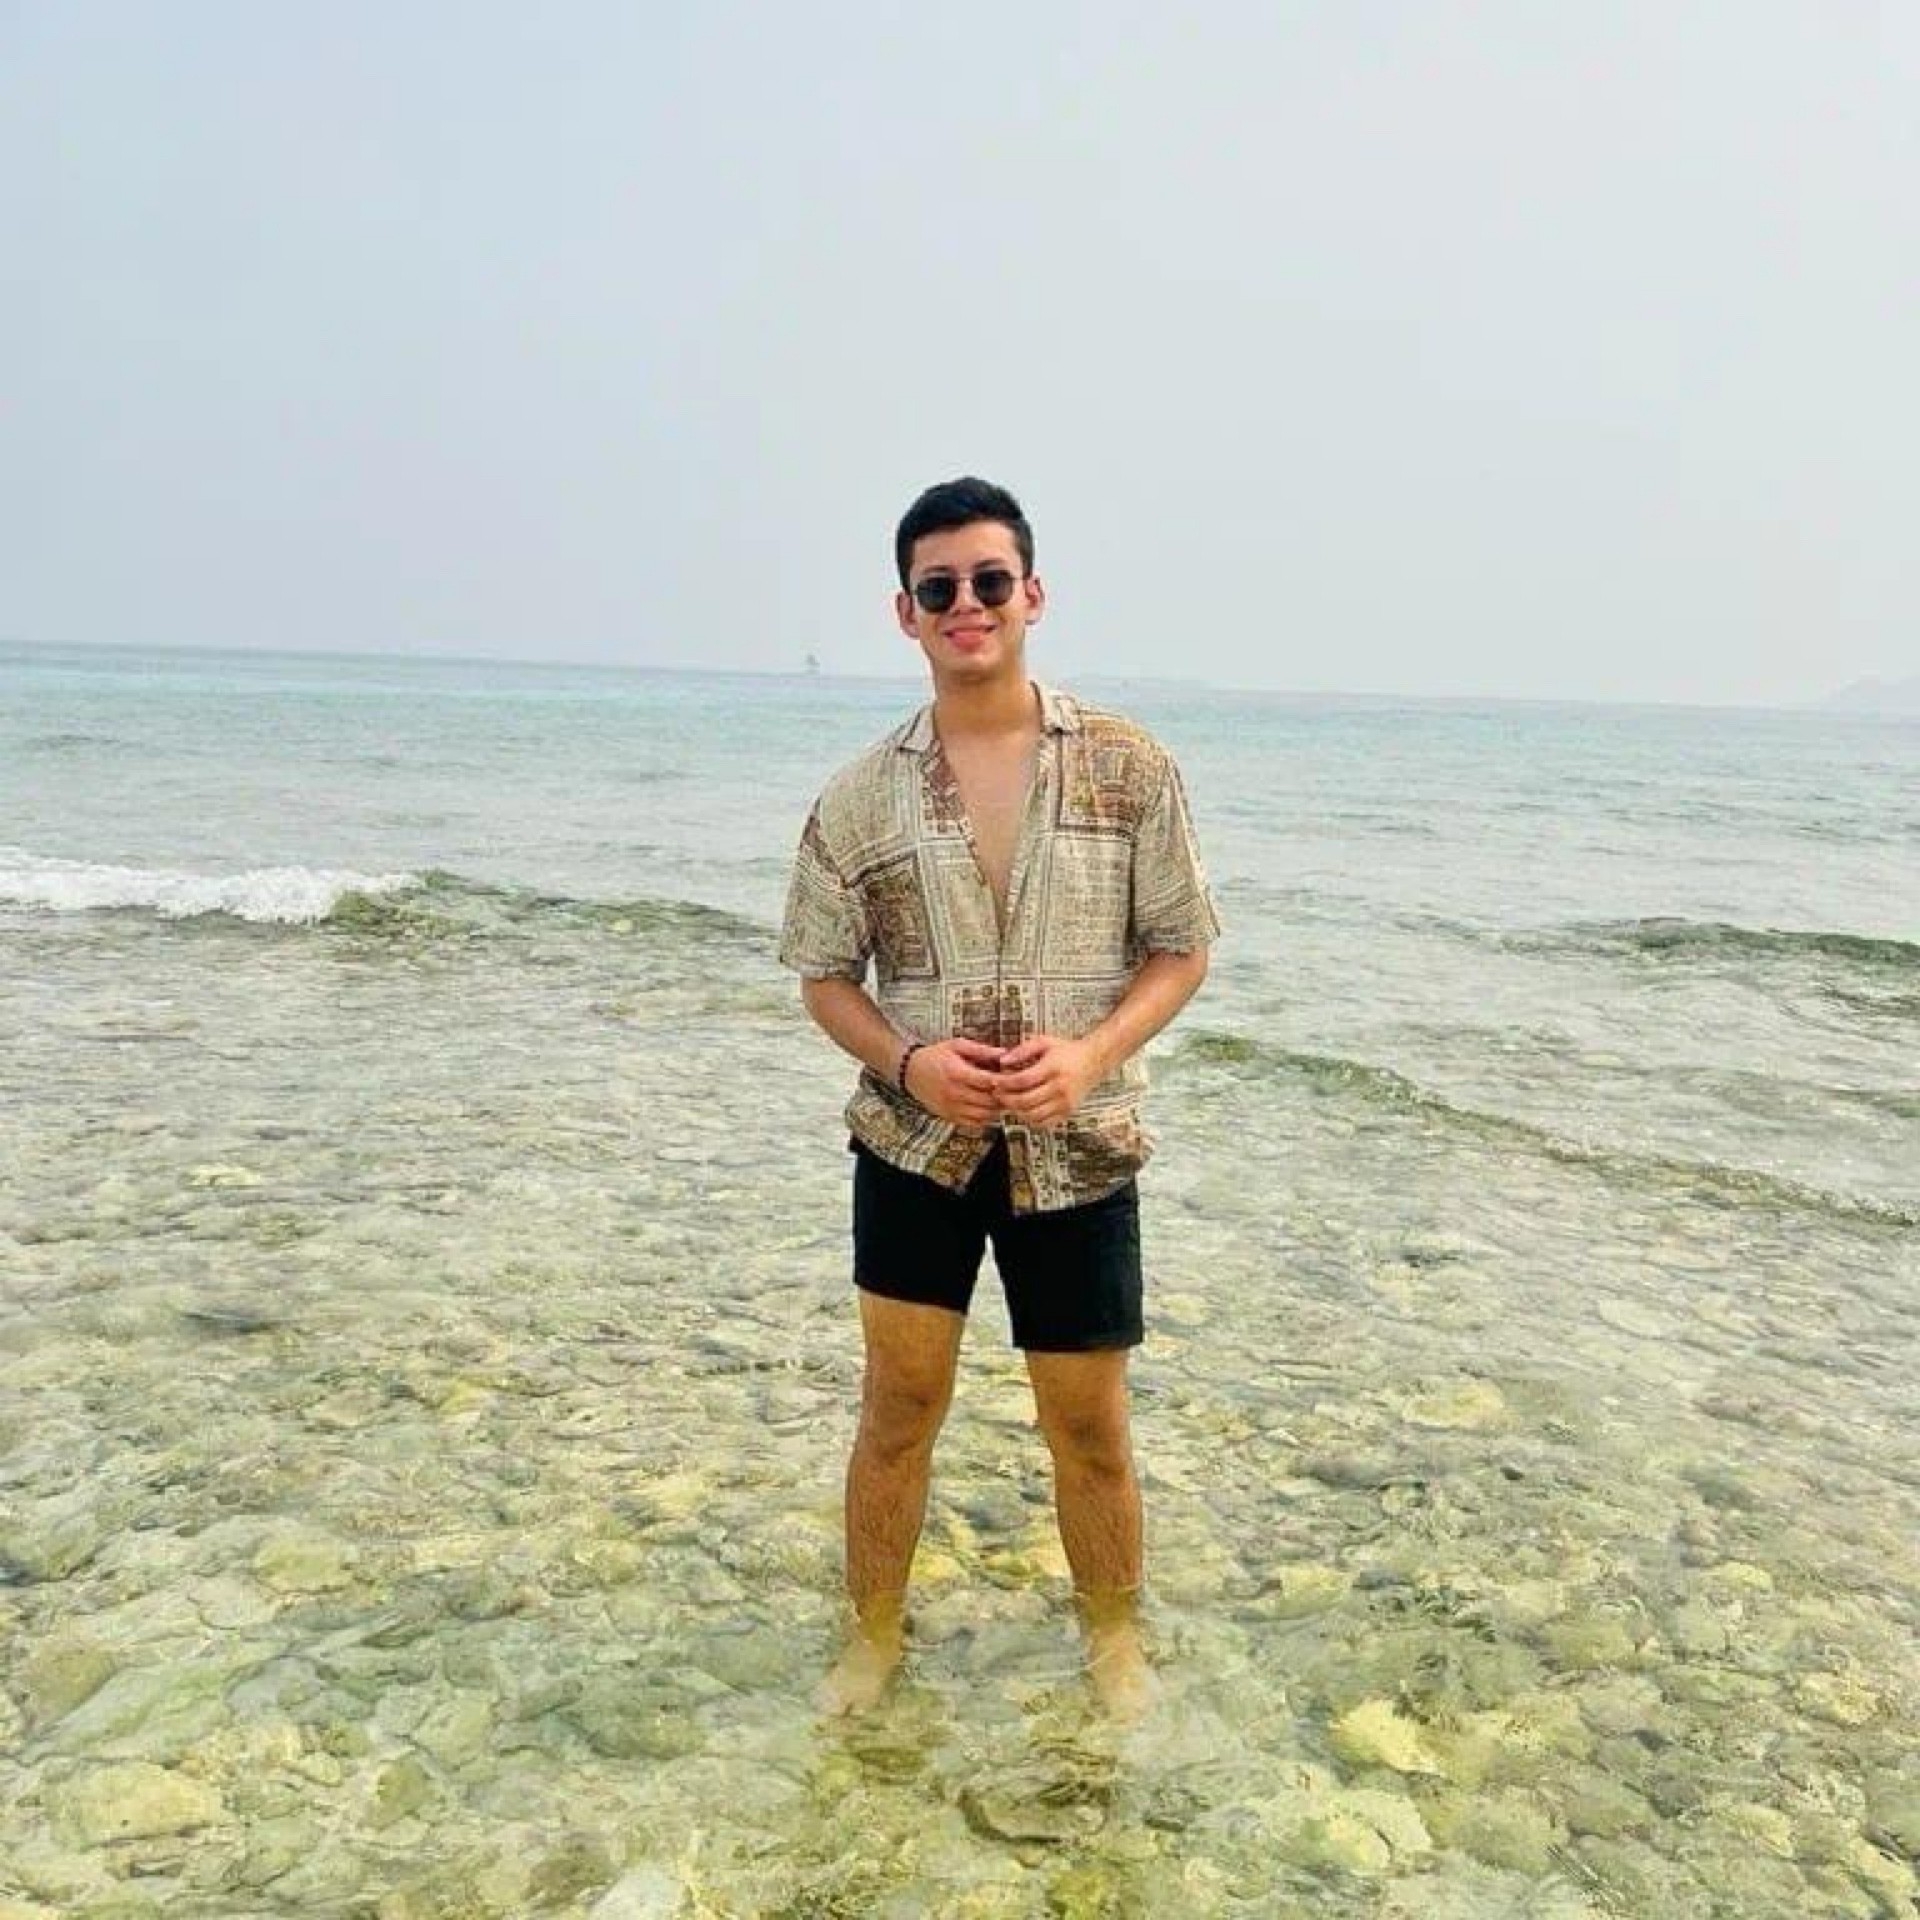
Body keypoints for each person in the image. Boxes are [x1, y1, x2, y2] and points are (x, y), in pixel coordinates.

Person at [779, 476, 1219, 1717]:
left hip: (1080, 1149)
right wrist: (908, 1062)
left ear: (1032, 594)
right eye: (939, 588)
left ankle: (1113, 1645)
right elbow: (822, 975)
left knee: (1089, 1430)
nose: (966, 604)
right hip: (912, 1150)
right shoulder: (859, 797)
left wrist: (1091, 1055)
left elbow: (1182, 946)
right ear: (906, 613)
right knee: (898, 1410)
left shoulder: (1129, 768)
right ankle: (873, 1637)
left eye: (988, 581)